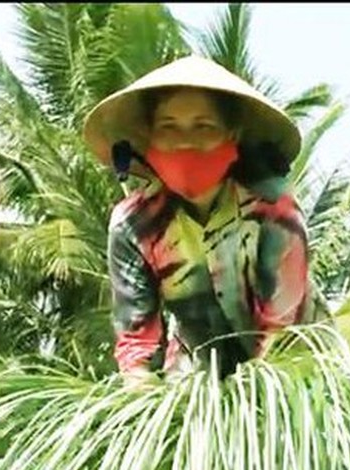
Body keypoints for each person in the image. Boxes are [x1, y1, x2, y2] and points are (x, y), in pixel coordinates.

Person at [82, 55, 330, 383]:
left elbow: (280, 332)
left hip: (295, 373)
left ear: (233, 135)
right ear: (149, 137)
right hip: (196, 376)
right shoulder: (133, 225)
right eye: (168, 127)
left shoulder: (273, 210)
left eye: (204, 126)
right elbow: (136, 340)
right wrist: (141, 393)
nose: (185, 141)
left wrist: (243, 409)